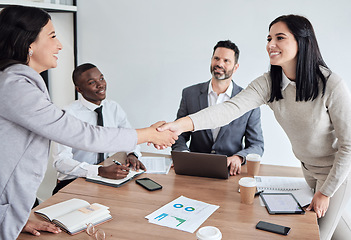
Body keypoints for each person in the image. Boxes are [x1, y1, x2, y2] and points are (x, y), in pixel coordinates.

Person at [158, 15, 351, 240]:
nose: (271, 44)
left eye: (280, 37)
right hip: (308, 170)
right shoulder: (269, 83)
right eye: (269, 38)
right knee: (338, 229)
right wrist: (179, 126)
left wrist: (326, 192)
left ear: (302, 41)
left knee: (316, 235)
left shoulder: (331, 84)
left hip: (338, 174)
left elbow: (348, 146)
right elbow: (228, 109)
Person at [0, 5, 177, 239]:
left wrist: (17, 218)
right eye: (52, 36)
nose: (60, 45)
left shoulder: (20, 84)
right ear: (29, 44)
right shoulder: (15, 87)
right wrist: (150, 134)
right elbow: (84, 135)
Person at [172, 40, 264, 175]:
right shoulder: (189, 94)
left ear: (236, 67)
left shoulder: (248, 100)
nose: (219, 64)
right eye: (216, 58)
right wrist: (184, 154)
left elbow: (257, 145)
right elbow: (178, 134)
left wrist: (239, 157)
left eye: (226, 60)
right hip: (194, 170)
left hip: (230, 172)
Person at [52, 63, 146, 194]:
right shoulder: (67, 115)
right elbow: (61, 162)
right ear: (79, 89)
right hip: (75, 181)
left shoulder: (113, 108)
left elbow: (130, 136)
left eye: (101, 79)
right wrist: (99, 171)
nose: (100, 85)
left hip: (107, 178)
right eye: (92, 82)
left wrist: (132, 154)